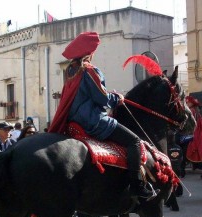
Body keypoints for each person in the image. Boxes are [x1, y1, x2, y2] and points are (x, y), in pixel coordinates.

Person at [48, 31, 155, 200]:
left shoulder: (70, 71)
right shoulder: (89, 70)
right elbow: (102, 98)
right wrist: (117, 98)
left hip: (74, 122)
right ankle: (136, 186)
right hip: (93, 121)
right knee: (134, 141)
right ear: (89, 52)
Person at [17, 124, 39, 217]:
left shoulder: (38, 144)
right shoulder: (19, 144)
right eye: (29, 132)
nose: (31, 134)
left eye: (33, 132)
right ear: (24, 133)